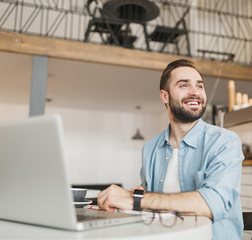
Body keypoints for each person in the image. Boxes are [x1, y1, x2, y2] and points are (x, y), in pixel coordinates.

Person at [98, 59, 244, 239]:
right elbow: (148, 200)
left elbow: (211, 204)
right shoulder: (151, 147)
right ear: (164, 96)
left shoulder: (225, 142)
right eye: (184, 85)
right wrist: (134, 196)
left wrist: (135, 200)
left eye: (199, 86)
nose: (195, 92)